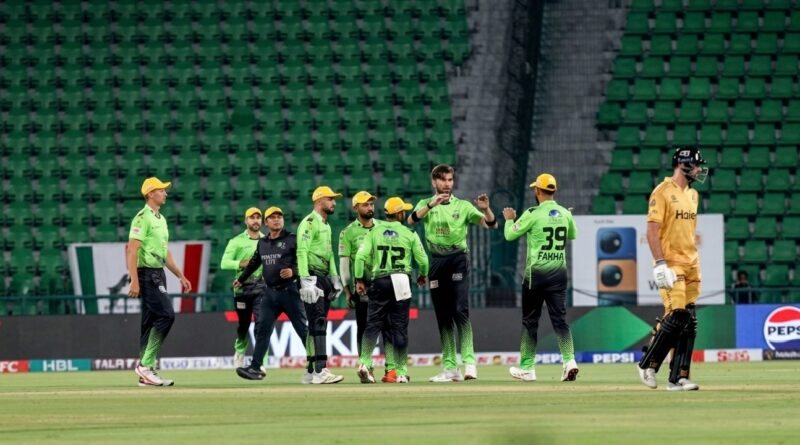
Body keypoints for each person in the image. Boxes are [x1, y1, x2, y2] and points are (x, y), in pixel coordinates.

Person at [408, 164, 496, 382]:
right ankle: (450, 369)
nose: (447, 184)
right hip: (437, 262)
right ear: (434, 182)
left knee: (460, 310)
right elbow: (410, 221)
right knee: (443, 316)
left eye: (450, 180)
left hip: (457, 260)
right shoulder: (425, 204)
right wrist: (430, 205)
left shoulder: (463, 206)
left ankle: (469, 364)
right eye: (443, 180)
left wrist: (486, 209)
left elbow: (491, 225)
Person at [637, 146, 708, 391]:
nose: (699, 169)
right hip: (671, 263)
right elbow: (652, 230)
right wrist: (659, 263)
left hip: (691, 263)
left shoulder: (693, 195)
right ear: (684, 165)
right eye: (696, 165)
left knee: (689, 322)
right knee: (677, 315)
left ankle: (678, 377)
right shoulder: (663, 192)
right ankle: (647, 363)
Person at [502, 173, 579, 382]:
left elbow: (510, 235)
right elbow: (572, 234)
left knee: (530, 322)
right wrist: (564, 218)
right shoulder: (565, 213)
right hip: (559, 275)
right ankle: (569, 360)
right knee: (560, 320)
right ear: (554, 191)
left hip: (535, 276)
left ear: (537, 191)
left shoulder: (532, 213)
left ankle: (527, 367)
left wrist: (509, 220)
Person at [354, 197, 429, 384]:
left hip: (379, 280)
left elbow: (360, 257)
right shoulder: (409, 233)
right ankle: (401, 372)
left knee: (372, 324)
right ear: (400, 214)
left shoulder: (374, 231)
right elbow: (423, 261)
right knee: (399, 329)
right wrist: (423, 275)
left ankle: (364, 362)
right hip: (401, 280)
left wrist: (359, 280)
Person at [233, 207, 311, 383]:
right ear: (266, 222)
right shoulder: (263, 243)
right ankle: (255, 367)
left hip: (289, 291)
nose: (277, 220)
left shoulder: (292, 239)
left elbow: (305, 259)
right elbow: (254, 263)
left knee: (302, 329)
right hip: (270, 293)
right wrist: (242, 279)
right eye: (272, 217)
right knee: (262, 329)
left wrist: (294, 271)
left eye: (279, 217)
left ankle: (317, 364)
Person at [127, 177, 192, 387]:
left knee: (148, 322)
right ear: (150, 194)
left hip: (158, 272)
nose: (165, 193)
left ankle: (145, 375)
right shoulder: (141, 218)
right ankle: (145, 365)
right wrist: (134, 281)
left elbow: (164, 253)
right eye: (161, 190)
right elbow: (132, 250)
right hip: (146, 273)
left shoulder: (161, 219)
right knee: (166, 315)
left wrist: (180, 275)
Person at [339, 191, 398, 382]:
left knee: (388, 326)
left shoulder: (384, 226)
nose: (370, 207)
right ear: (356, 208)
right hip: (362, 287)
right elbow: (344, 264)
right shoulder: (348, 232)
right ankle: (367, 368)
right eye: (365, 204)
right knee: (364, 328)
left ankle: (391, 369)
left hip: (385, 284)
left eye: (372, 204)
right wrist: (347, 290)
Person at [296, 186, 345, 384]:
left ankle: (310, 372)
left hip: (323, 277)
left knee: (315, 323)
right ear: (319, 200)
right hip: (313, 277)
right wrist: (306, 280)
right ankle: (320, 370)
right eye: (330, 199)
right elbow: (302, 251)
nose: (334, 202)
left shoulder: (326, 225)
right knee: (318, 322)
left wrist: (335, 278)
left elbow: (329, 253)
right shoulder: (309, 223)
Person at [220, 207, 265, 369]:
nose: (255, 221)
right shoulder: (236, 241)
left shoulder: (266, 241)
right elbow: (224, 263)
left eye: (258, 218)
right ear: (246, 221)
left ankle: (260, 362)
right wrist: (241, 263)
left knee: (262, 325)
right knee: (243, 326)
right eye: (252, 218)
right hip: (242, 290)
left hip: (262, 289)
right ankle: (240, 351)